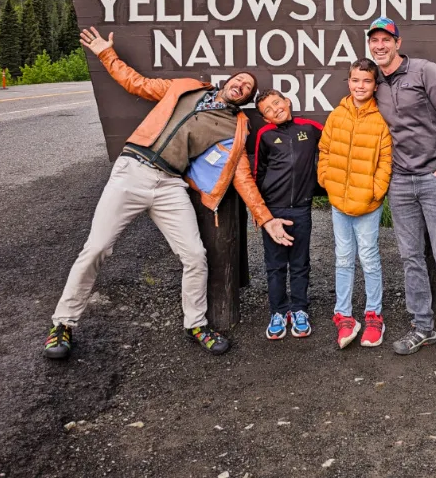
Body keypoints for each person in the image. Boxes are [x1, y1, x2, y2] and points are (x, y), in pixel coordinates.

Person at [43, 26, 293, 360]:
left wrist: (266, 220)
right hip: (132, 170)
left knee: (194, 256)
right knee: (97, 248)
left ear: (247, 100)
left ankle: (196, 324)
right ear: (227, 80)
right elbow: (137, 83)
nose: (241, 85)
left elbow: (243, 179)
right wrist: (106, 52)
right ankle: (63, 324)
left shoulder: (235, 129)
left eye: (248, 88)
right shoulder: (185, 88)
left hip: (170, 185)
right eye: (240, 79)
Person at [367, 17, 436, 367]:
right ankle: (423, 326)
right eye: (374, 40)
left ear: (398, 42)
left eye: (385, 39)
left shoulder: (425, 71)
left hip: (433, 179)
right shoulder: (374, 82)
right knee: (411, 259)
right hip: (400, 182)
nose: (379, 45)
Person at [318, 58, 392, 349]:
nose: (360, 86)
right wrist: (326, 179)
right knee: (343, 258)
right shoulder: (337, 115)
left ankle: (374, 315)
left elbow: (386, 159)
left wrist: (376, 190)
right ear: (348, 82)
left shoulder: (380, 119)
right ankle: (344, 315)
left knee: (369, 258)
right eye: (355, 80)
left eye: (367, 81)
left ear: (375, 85)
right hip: (339, 200)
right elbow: (324, 149)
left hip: (367, 203)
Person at [253, 90, 322, 340]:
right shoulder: (265, 135)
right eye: (268, 110)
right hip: (273, 211)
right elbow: (258, 172)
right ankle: (279, 312)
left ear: (287, 102)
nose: (275, 110)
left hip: (302, 208)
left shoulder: (309, 127)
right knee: (275, 265)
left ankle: (300, 309)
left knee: (300, 263)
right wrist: (261, 212)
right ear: (265, 118)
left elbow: (336, 144)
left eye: (276, 103)